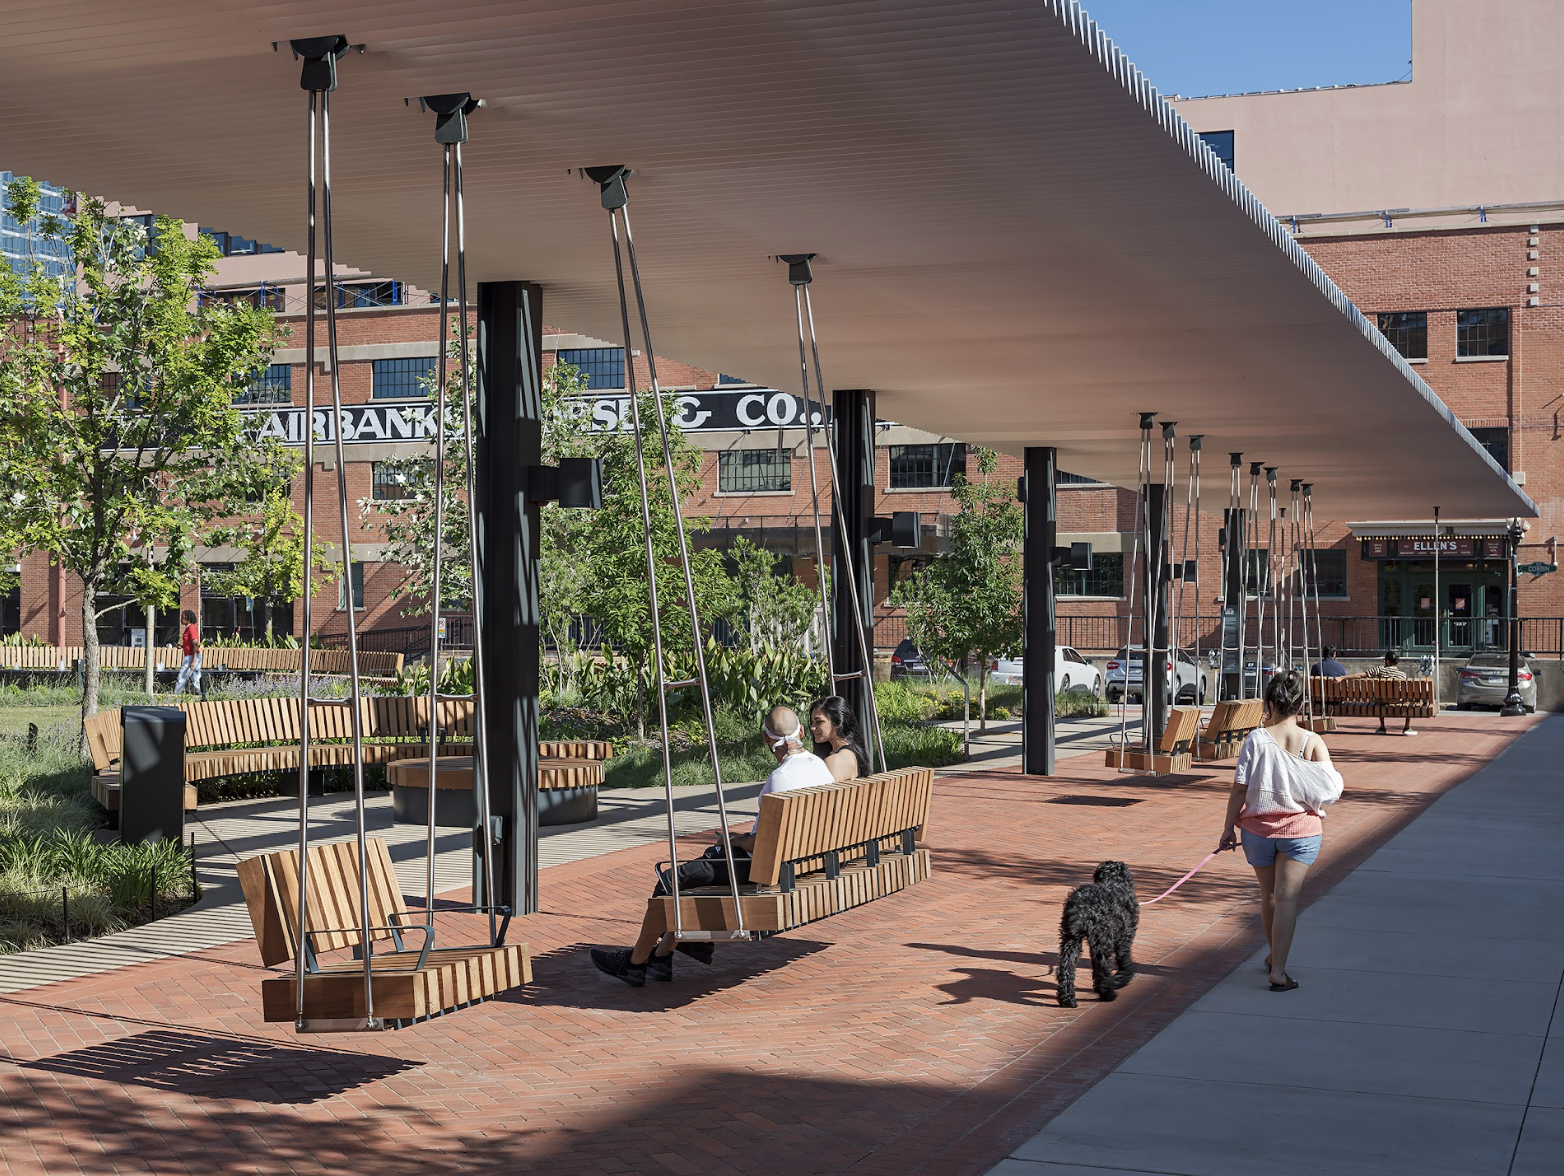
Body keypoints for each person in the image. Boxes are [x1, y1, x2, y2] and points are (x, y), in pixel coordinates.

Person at [590, 705, 834, 986]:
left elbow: (762, 842)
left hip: (761, 867)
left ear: (766, 740)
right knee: (700, 870)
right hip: (801, 861)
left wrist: (735, 840)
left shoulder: (781, 778)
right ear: (801, 731)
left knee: (670, 881)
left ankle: (635, 963)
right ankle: (663, 956)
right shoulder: (818, 766)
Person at [1217, 671, 1342, 992]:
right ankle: (1279, 969)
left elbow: (1239, 790)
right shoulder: (1313, 741)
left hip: (1257, 832)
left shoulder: (1255, 740)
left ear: (1271, 703)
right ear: (1300, 705)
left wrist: (1228, 828)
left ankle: (1273, 955)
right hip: (1301, 832)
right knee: (1288, 899)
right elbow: (1329, 789)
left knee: (1269, 895)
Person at [809, 695, 870, 782]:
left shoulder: (835, 762)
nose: (812, 727)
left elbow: (826, 795)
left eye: (819, 722)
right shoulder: (853, 753)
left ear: (837, 722)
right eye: (812, 722)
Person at [1364, 650, 1414, 735]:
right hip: (1397, 700)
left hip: (1382, 701)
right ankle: (1406, 727)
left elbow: (1362, 675)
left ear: (1387, 661)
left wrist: (1343, 677)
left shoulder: (1380, 670)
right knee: (1408, 699)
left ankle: (1382, 726)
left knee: (1379, 697)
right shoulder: (1402, 675)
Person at [173, 610, 203, 696]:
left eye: (183, 618)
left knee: (182, 676)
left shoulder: (191, 628)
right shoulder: (188, 628)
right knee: (195, 678)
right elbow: (190, 644)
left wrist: (193, 661)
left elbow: (195, 644)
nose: (181, 619)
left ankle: (176, 695)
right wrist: (182, 647)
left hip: (192, 656)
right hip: (191, 655)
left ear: (188, 619)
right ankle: (202, 694)